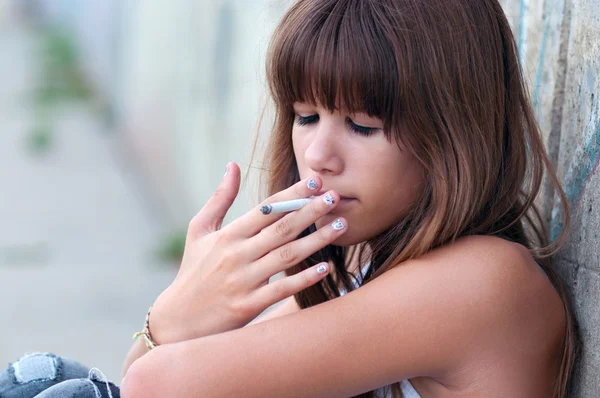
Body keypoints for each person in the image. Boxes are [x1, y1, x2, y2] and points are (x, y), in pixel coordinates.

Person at [0, 0, 580, 397]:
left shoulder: (483, 282)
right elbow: (147, 381)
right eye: (306, 116)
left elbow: (160, 386)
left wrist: (179, 313)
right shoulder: (361, 263)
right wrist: (171, 321)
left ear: (453, 133)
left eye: (362, 126)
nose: (319, 155)